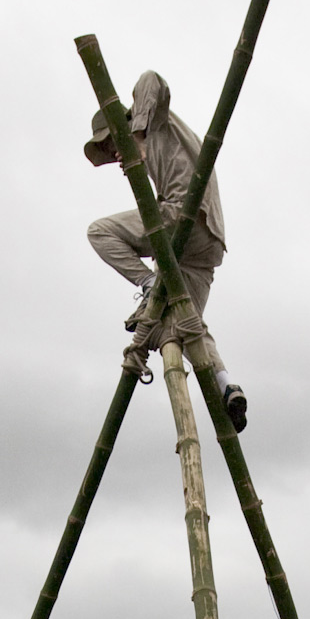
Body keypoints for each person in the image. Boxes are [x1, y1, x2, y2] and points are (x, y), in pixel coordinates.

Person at [86, 70, 248, 432]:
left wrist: (139, 136)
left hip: (184, 216)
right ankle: (225, 384)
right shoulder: (151, 156)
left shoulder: (154, 120)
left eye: (112, 142)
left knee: (100, 231)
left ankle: (147, 283)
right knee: (185, 324)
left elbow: (151, 79)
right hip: (204, 249)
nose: (115, 152)